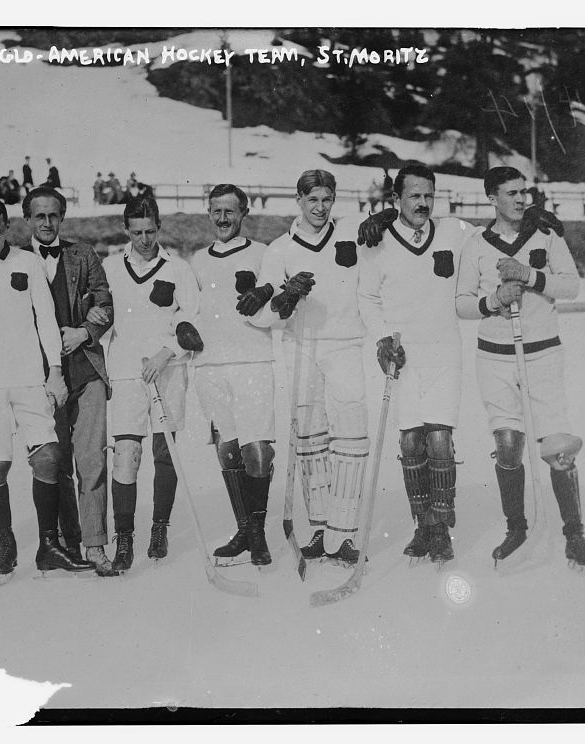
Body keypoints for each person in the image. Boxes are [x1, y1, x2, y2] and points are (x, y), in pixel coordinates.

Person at [455, 166, 585, 570]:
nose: (521, 200)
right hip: (495, 357)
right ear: (492, 198)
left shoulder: (546, 236)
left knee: (558, 448)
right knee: (507, 444)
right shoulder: (476, 245)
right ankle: (515, 527)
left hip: (543, 353)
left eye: (524, 193)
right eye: (512, 193)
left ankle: (575, 535)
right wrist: (495, 298)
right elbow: (462, 303)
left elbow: (570, 286)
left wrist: (531, 276)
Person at [0, 199, 93, 578]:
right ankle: (6, 542)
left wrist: (55, 372)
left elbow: (46, 318)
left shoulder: (27, 263)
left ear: (7, 229)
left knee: (48, 457)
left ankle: (48, 546)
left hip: (27, 377)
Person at [357, 164, 475, 564]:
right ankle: (421, 524)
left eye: (428, 195)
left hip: (445, 352)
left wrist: (531, 217)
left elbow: (493, 242)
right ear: (396, 200)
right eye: (413, 196)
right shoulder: (377, 243)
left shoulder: (456, 232)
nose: (422, 203)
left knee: (439, 440)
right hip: (403, 355)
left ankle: (441, 528)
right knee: (410, 442)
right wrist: (381, 341)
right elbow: (368, 298)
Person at [250, 169, 369, 566]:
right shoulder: (279, 249)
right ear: (298, 200)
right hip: (300, 346)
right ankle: (319, 529)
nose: (320, 208)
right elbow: (261, 314)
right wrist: (286, 298)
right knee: (311, 441)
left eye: (327, 199)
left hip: (345, 342)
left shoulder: (352, 234)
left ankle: (344, 534)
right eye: (312, 200)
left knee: (351, 437)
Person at [21, 187, 119, 577]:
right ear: (27, 218)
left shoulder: (83, 255)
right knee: (53, 461)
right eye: (39, 216)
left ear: (62, 217)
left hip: (86, 371)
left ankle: (95, 546)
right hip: (40, 378)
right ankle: (65, 542)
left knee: (92, 460)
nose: (46, 223)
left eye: (53, 216)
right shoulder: (17, 261)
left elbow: (105, 303)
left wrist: (83, 332)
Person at [101, 196, 201, 568]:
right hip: (127, 372)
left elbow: (193, 319)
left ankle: (159, 527)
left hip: (168, 371)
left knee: (165, 453)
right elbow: (103, 318)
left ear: (159, 228)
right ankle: (124, 538)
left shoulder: (178, 269)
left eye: (150, 231)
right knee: (126, 455)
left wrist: (167, 352)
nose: (144, 239)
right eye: (136, 231)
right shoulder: (110, 267)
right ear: (127, 230)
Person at [190, 184, 276, 566]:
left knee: (257, 447)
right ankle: (246, 533)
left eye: (230, 211)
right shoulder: (196, 261)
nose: (222, 218)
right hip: (210, 364)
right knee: (227, 448)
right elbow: (186, 311)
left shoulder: (262, 254)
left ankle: (256, 534)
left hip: (253, 362)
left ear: (243, 213)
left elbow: (276, 307)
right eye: (215, 211)